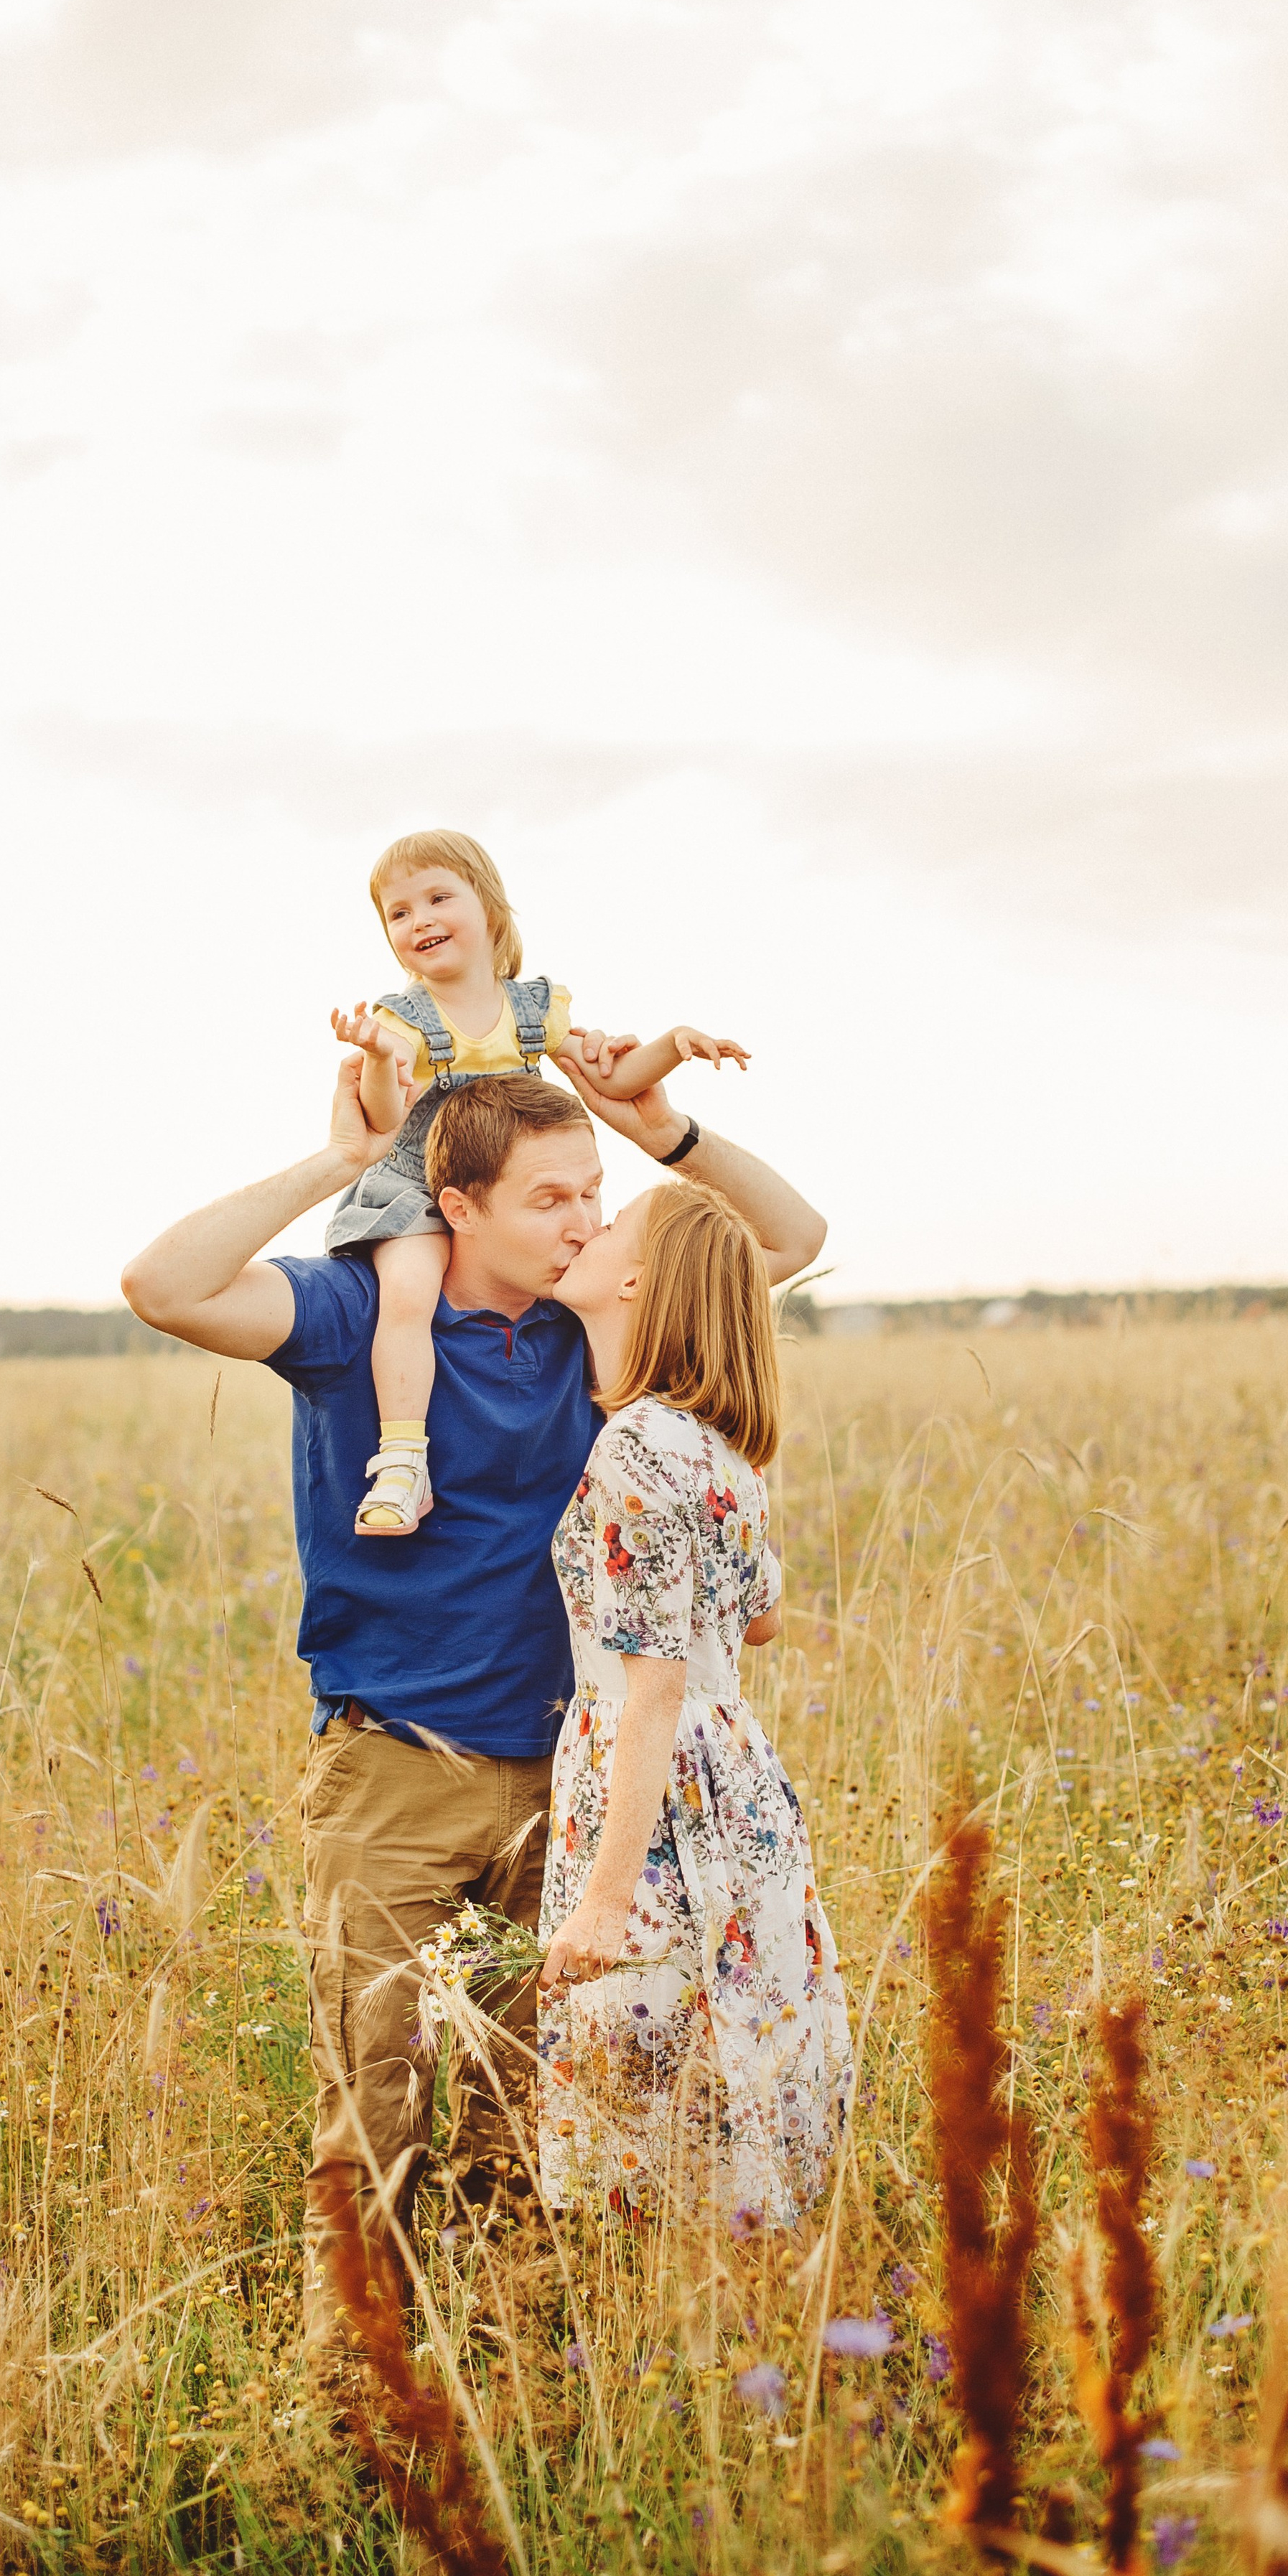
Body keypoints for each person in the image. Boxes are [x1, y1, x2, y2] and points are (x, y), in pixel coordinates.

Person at [119, 1052, 825, 2366]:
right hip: (394, 1767)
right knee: (372, 2102)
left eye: (595, 1194)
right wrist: (344, 1163)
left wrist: (660, 1125)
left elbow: (784, 1240)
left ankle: (514, 2373)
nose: (584, 1221)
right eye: (551, 1197)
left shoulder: (586, 1317)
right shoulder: (356, 1316)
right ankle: (361, 2388)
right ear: (460, 1204)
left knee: (531, 2106)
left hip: (570, 1780)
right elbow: (165, 1285)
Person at [537, 1177, 851, 2228]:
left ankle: (660, 2299)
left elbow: (654, 1690)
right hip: (738, 1775)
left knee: (644, 2078)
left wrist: (604, 1898)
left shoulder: (632, 1445)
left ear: (637, 1280)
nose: (589, 1227)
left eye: (612, 1222)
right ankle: (746, 2278)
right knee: (732, 2054)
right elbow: (761, 1622)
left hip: (654, 1781)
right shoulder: (721, 1446)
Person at [327, 829, 747, 1536]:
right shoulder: (405, 1020)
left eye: (437, 898)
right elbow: (386, 1111)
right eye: (399, 912)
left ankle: (638, 1452)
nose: (419, 919)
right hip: (417, 1186)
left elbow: (612, 1076)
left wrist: (671, 1046)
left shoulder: (532, 1009)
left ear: (490, 909)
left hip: (511, 1196)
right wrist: (373, 1055)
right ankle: (402, 1459)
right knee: (407, 1293)